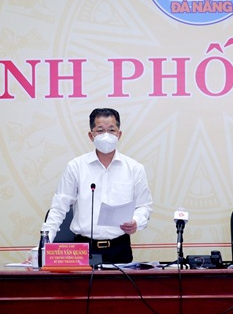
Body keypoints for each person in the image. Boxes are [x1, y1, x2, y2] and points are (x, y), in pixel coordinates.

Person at [42, 108, 153, 264]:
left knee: (120, 289)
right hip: (82, 248)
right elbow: (59, 207)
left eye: (111, 130)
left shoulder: (134, 168)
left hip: (119, 248)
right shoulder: (76, 167)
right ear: (91, 135)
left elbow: (145, 206)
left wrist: (136, 221)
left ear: (119, 134)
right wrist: (43, 247)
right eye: (100, 131)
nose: (106, 135)